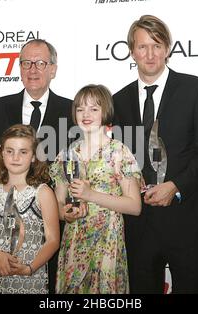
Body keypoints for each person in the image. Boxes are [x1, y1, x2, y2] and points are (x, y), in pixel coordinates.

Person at [112, 15, 198, 293]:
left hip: (185, 219)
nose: (150, 54)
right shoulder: (118, 100)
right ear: (132, 51)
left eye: (157, 45)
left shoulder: (196, 90)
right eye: (143, 46)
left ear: (168, 48)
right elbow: (119, 156)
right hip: (137, 224)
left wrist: (176, 186)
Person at [0, 39, 72, 292]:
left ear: (53, 69)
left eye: (41, 63)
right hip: (0, 230)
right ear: (19, 68)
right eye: (26, 63)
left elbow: (73, 169)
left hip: (54, 231)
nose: (33, 69)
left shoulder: (71, 110)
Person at [50, 84, 142, 293]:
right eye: (80, 108)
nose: (86, 114)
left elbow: (135, 206)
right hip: (74, 241)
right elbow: (57, 202)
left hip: (107, 241)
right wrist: (65, 214)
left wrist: (91, 195)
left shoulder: (119, 151)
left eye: (93, 108)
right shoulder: (67, 154)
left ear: (105, 111)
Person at [0, 124, 60, 294]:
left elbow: (53, 240)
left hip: (30, 280)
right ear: (1, 153)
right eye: (9, 151)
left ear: (34, 156)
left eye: (23, 152)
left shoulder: (42, 192)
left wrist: (29, 268)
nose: (15, 157)